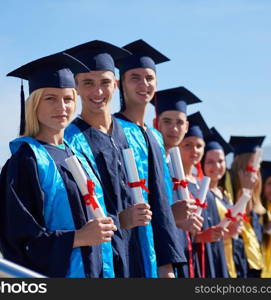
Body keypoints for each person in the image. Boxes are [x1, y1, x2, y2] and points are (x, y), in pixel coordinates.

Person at [64, 40, 185, 278]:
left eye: (105, 83)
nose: (98, 92)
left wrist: (166, 264)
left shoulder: (132, 136)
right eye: (88, 83)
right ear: (76, 87)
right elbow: (72, 213)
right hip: (102, 262)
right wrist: (119, 220)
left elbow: (157, 202)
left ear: (115, 85)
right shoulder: (71, 141)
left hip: (140, 253)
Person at [0, 52, 117, 277]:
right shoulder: (26, 161)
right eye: (50, 98)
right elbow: (19, 242)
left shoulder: (78, 155)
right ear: (34, 104)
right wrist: (78, 238)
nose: (61, 106)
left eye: (68, 98)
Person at [114, 39, 191, 277]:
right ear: (120, 84)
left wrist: (167, 261)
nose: (143, 83)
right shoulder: (113, 130)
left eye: (149, 78)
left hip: (157, 251)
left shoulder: (155, 137)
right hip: (128, 247)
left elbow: (160, 197)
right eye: (134, 77)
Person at [151, 86, 204, 277]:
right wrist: (173, 217)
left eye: (179, 123)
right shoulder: (148, 162)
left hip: (179, 252)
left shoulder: (174, 166)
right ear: (156, 124)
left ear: (187, 127)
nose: (174, 129)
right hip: (155, 257)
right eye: (167, 122)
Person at [185, 113, 229, 278]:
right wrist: (201, 237)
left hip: (212, 260)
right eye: (188, 144)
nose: (194, 150)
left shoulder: (203, 187)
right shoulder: (176, 183)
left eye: (199, 145)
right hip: (191, 263)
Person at [201, 127, 243, 278]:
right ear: (202, 164)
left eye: (220, 161)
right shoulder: (202, 195)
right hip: (214, 260)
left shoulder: (224, 194)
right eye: (210, 162)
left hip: (231, 258)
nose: (217, 166)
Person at [229, 135, 267, 278]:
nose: (255, 172)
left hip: (253, 268)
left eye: (258, 166)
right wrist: (244, 193)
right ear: (241, 166)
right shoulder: (227, 190)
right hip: (236, 266)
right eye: (253, 165)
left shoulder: (256, 201)